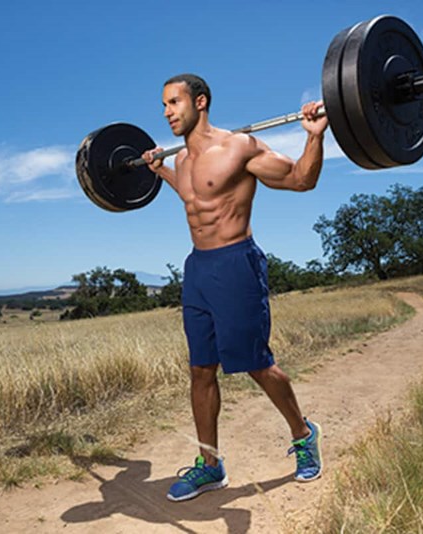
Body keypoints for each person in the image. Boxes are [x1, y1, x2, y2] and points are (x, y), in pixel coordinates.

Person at [141, 73, 329, 502]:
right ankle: (210, 466)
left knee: (257, 364)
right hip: (198, 269)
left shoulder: (239, 147)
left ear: (200, 102)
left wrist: (314, 138)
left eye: (174, 103)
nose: (167, 112)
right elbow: (196, 200)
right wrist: (162, 172)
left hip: (236, 264)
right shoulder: (183, 161)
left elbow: (302, 179)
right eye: (164, 105)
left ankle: (303, 434)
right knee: (200, 370)